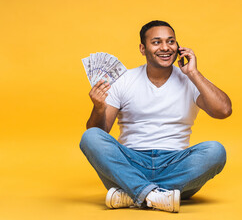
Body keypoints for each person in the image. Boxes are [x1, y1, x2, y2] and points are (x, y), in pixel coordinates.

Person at [80, 20, 232, 213]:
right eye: (156, 42)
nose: (165, 48)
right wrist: (99, 108)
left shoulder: (191, 79)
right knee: (90, 137)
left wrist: (193, 73)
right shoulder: (124, 80)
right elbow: (99, 133)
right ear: (143, 49)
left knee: (215, 151)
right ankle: (156, 196)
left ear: (178, 47)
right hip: (130, 162)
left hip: (175, 164)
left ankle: (134, 193)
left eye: (171, 41)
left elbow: (224, 111)